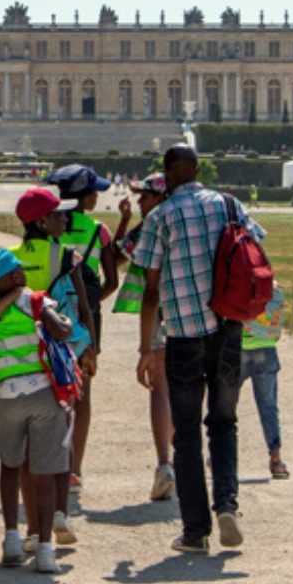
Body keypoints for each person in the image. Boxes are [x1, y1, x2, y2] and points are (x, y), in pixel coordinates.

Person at [132, 144, 265, 554]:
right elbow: (256, 249)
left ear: (171, 173)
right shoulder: (228, 204)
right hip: (228, 327)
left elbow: (150, 289)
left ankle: (195, 530)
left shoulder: (161, 216)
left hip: (184, 334)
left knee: (187, 434)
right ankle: (226, 505)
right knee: (224, 422)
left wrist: (144, 347)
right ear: (198, 169)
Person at [9, 186, 98, 546]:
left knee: (28, 445)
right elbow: (84, 307)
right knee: (61, 437)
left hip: (22, 357)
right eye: (58, 214)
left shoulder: (9, 258)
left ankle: (32, 526)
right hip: (61, 356)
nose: (65, 219)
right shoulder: (67, 255)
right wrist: (90, 346)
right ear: (42, 222)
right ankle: (60, 513)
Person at [0, 248, 72, 574]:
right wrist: (65, 322)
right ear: (16, 276)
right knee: (43, 473)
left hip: (6, 397)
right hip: (42, 394)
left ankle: (11, 540)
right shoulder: (35, 301)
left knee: (10, 466)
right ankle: (45, 550)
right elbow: (60, 330)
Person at [42, 164, 112, 521]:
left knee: (52, 389)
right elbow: (111, 279)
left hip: (49, 314)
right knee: (81, 393)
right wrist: (93, 304)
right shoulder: (98, 231)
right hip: (85, 317)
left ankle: (53, 460)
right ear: (86, 196)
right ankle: (75, 467)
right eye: (94, 191)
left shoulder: (46, 223)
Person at [113, 173, 176, 501]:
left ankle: (165, 464)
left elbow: (116, 260)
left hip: (160, 316)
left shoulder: (148, 229)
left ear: (161, 197)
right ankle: (183, 457)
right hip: (193, 315)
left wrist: (124, 224)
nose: (139, 202)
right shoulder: (186, 223)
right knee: (189, 388)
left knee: (160, 389)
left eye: (145, 196)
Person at [241, 278, 289, 479]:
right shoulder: (273, 286)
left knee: (225, 406)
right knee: (268, 406)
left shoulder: (240, 282)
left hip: (239, 348)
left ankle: (220, 454)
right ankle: (276, 458)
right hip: (267, 348)